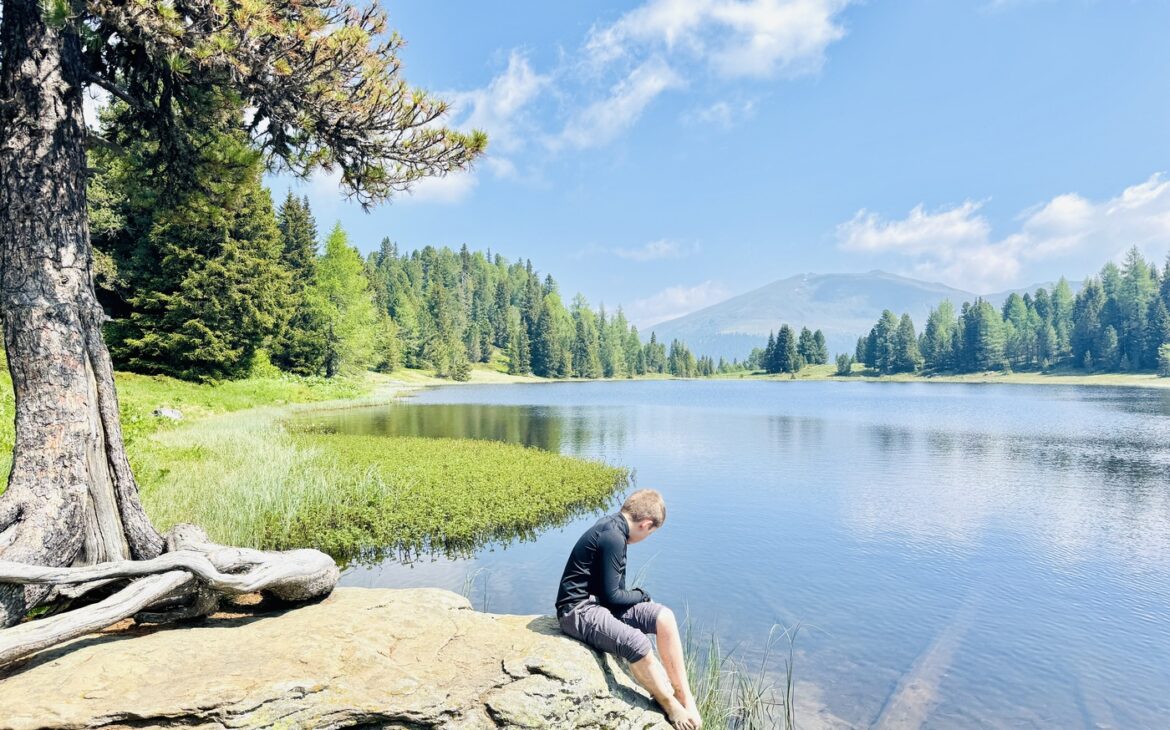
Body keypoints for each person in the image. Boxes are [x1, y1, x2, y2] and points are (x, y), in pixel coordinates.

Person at [555, 489, 701, 730]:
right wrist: (642, 595)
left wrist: (642, 603)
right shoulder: (612, 536)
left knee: (664, 617)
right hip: (577, 610)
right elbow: (612, 596)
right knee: (638, 644)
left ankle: (683, 694)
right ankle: (669, 704)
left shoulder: (614, 528)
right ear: (645, 524)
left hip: (601, 604)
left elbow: (611, 597)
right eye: (651, 533)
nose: (647, 537)